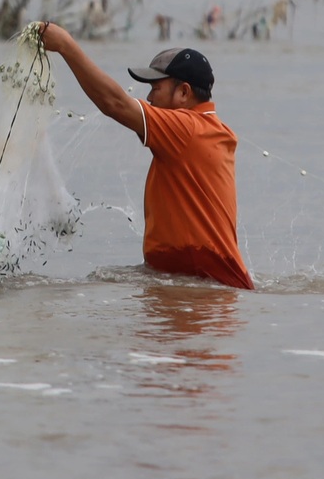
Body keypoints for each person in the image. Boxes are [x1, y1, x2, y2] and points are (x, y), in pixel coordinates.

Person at [37, 25, 254, 290]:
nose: (149, 98)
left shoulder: (186, 129)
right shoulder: (205, 129)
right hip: (199, 285)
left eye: (156, 88)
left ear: (184, 93)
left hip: (208, 289)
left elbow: (114, 103)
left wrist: (66, 46)